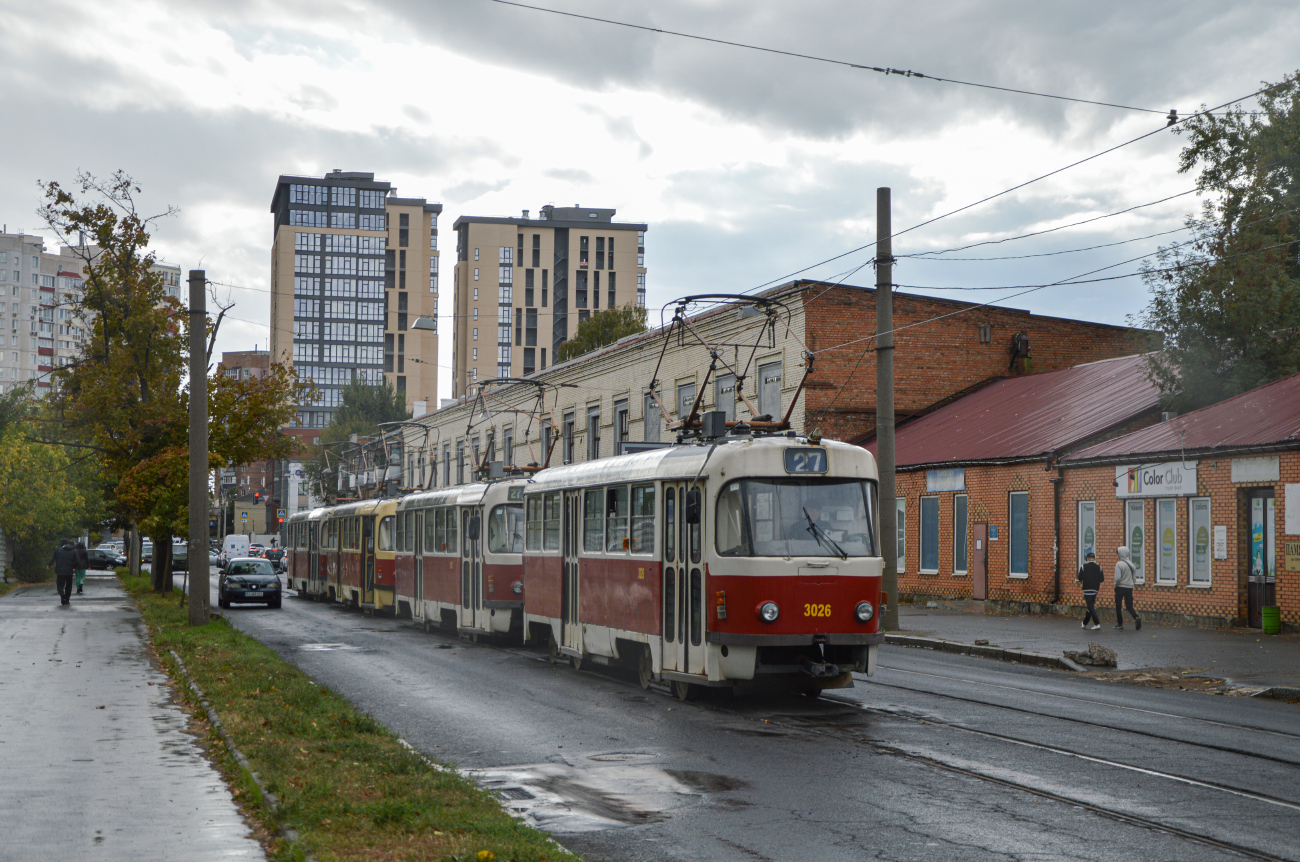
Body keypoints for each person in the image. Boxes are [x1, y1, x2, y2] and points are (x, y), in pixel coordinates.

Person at [1114, 545, 1142, 630]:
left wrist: (1116, 584)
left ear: (1121, 554)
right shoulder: (1131, 564)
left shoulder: (1119, 564)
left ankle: (1120, 623)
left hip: (1120, 587)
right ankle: (1136, 617)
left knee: (1118, 606)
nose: (1118, 555)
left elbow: (1118, 578)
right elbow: (1134, 578)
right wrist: (1131, 584)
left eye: (1118, 553)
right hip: (1129, 588)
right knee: (1129, 606)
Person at [1076, 551, 1104, 630]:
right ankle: (1084, 623)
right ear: (1094, 558)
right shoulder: (1099, 567)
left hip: (1086, 588)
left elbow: (1080, 578)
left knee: (1091, 607)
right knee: (1090, 607)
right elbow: (1102, 579)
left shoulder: (1083, 567)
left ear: (1087, 559)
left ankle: (1097, 623)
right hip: (1095, 589)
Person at [49, 539, 78, 606]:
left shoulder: (59, 550)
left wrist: (50, 565)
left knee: (59, 585)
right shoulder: (74, 551)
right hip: (69, 571)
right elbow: (77, 561)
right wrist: (74, 567)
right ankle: (67, 599)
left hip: (60, 571)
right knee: (68, 585)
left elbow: (55, 558)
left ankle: (62, 595)